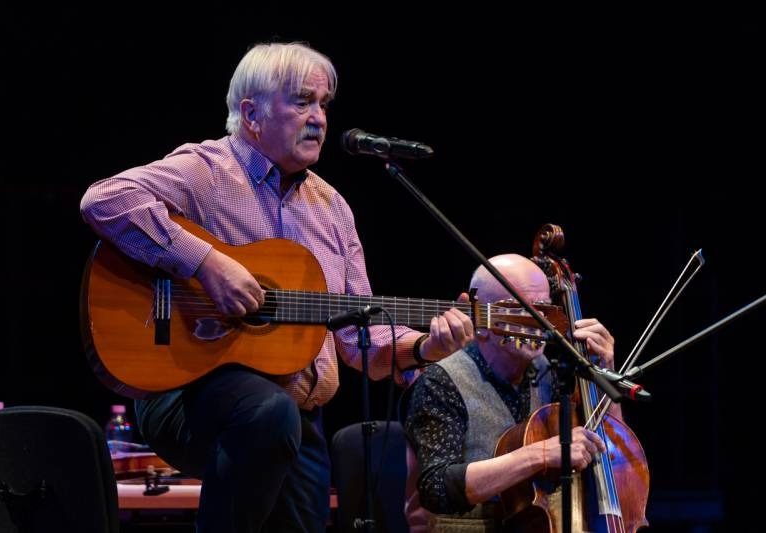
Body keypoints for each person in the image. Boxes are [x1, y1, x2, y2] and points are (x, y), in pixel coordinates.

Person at [80, 41, 473, 532]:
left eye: (324, 104)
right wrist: (206, 263)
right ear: (251, 114)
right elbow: (105, 199)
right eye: (302, 101)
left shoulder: (333, 209)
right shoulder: (207, 171)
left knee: (283, 430)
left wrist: (424, 348)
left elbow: (360, 339)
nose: (319, 118)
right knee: (269, 414)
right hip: (186, 390)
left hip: (299, 418)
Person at [402, 253, 619, 531]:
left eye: (543, 309)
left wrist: (603, 372)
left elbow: (609, 450)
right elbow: (438, 488)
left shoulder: (550, 373)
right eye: (520, 310)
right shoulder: (441, 381)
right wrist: (540, 454)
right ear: (480, 317)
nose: (538, 322)